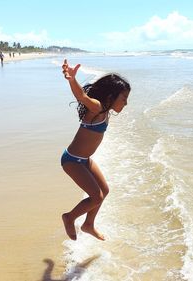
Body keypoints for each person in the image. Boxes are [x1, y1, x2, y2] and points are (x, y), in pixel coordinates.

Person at [60, 59, 130, 241]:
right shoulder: (97, 108)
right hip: (72, 160)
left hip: (84, 160)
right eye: (124, 99)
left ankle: (88, 224)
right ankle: (69, 217)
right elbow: (82, 97)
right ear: (110, 97)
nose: (126, 103)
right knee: (96, 197)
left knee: (104, 191)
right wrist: (71, 79)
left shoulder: (104, 111)